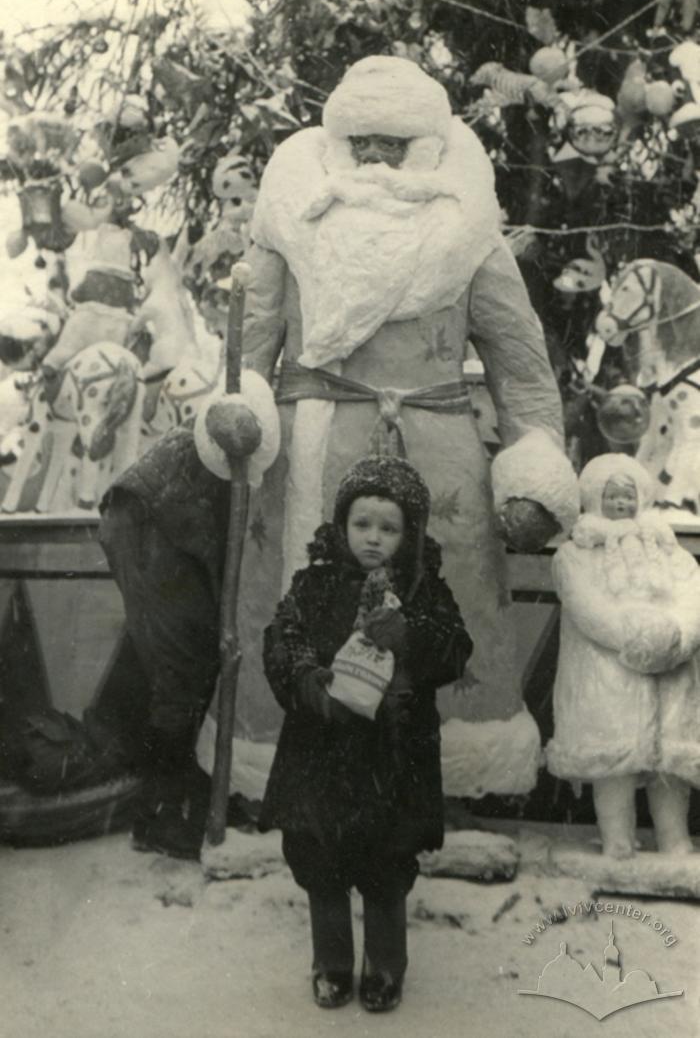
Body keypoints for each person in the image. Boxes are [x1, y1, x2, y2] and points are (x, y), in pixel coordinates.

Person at [99, 54, 578, 859]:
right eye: (366, 144)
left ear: (429, 146)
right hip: (310, 453)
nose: (382, 163)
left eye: (398, 144)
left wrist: (535, 463)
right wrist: (238, 415)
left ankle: (448, 790)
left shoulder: (471, 236)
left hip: (438, 456)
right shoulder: (288, 229)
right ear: (337, 143)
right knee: (301, 613)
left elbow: (523, 370)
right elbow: (246, 358)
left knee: (440, 612)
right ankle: (283, 785)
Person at [259, 454, 473, 1012]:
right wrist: (309, 683)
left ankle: (384, 965)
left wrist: (409, 636)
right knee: (320, 863)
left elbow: (455, 648)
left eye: (389, 528)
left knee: (386, 866)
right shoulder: (313, 584)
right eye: (362, 525)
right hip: (321, 749)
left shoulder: (425, 590)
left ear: (410, 534)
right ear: (341, 524)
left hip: (393, 753)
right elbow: (284, 639)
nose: (373, 539)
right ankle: (331, 962)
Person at [546, 453, 700, 858]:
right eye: (611, 496)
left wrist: (680, 635)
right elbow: (586, 608)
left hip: (671, 669)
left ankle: (675, 839)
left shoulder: (665, 548)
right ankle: (617, 839)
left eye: (627, 497)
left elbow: (693, 592)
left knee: (671, 764)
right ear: (595, 498)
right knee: (612, 760)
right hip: (608, 672)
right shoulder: (575, 555)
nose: (620, 504)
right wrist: (630, 636)